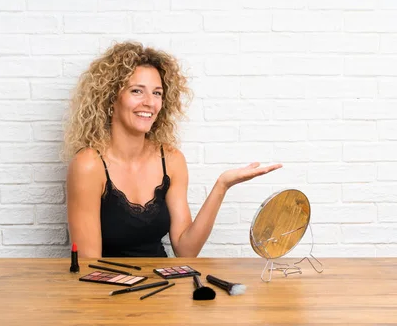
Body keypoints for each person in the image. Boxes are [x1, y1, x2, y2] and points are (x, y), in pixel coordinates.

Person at [63, 41, 282, 258]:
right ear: (111, 99)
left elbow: (186, 250)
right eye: (137, 91)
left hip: (163, 285)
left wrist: (221, 186)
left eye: (157, 93)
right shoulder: (88, 165)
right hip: (110, 287)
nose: (150, 102)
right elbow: (88, 266)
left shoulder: (171, 159)